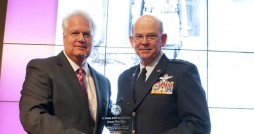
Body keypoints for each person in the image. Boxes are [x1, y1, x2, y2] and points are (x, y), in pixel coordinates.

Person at [19, 10, 111, 134]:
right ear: (64, 37)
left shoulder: (103, 82)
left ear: (93, 39)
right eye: (75, 33)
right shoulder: (42, 68)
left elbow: (113, 120)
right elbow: (33, 117)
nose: (81, 39)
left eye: (87, 34)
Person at [116, 14, 211, 134]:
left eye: (151, 36)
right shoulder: (124, 78)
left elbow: (198, 125)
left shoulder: (182, 72)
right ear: (131, 41)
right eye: (139, 36)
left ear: (164, 39)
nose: (144, 42)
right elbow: (120, 122)